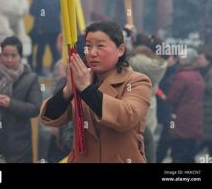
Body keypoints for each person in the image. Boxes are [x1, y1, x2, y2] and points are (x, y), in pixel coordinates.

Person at [41, 20, 152, 163]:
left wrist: (87, 90)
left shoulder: (137, 81)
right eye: (88, 46)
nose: (92, 53)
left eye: (100, 46)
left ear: (120, 50)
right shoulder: (83, 79)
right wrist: (68, 90)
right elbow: (50, 117)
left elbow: (126, 117)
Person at [0, 36, 42, 163]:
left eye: (13, 55)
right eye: (5, 55)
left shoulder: (30, 78)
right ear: (0, 55)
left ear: (20, 57)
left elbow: (35, 109)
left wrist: (10, 103)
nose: (9, 60)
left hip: (18, 146)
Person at [128, 33, 167, 162]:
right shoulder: (159, 63)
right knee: (147, 144)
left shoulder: (131, 60)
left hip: (131, 104)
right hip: (150, 104)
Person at [162, 47, 205, 163]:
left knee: (178, 154)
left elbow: (171, 98)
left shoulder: (181, 77)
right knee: (189, 153)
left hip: (181, 121)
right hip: (195, 121)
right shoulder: (198, 76)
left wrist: (163, 96)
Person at [197, 46, 212, 159]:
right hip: (205, 114)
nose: (198, 61)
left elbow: (210, 89)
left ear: (207, 60)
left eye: (200, 58)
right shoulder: (203, 72)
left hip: (209, 114)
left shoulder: (211, 74)